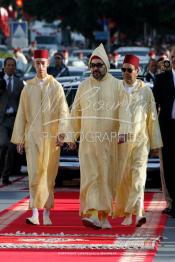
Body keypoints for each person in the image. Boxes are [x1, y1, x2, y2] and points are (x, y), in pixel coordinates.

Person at [11, 49, 70, 225]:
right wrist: (20, 139)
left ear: (48, 64)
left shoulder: (56, 86)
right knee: (35, 174)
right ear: (34, 64)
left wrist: (62, 134)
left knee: (49, 176)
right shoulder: (28, 88)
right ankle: (35, 213)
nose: (40, 66)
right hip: (33, 137)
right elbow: (21, 114)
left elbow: (64, 112)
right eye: (37, 63)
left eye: (43, 63)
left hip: (51, 139)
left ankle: (47, 213)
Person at [70, 43, 122, 229]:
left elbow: (125, 112)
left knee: (107, 180)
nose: (96, 69)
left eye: (99, 65)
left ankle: (103, 215)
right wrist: (70, 136)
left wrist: (124, 131)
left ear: (106, 65)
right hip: (88, 143)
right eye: (93, 65)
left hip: (109, 143)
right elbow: (75, 113)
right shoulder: (83, 86)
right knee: (90, 177)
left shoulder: (117, 86)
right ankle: (91, 213)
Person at [113, 54, 162, 227]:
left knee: (139, 177)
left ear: (137, 71)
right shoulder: (116, 90)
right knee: (124, 179)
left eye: (129, 70)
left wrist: (156, 144)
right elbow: (111, 118)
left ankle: (139, 212)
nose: (126, 73)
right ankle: (128, 213)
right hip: (121, 143)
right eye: (123, 70)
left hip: (141, 141)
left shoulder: (146, 91)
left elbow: (152, 118)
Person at [153, 46, 175, 218]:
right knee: (168, 165)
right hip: (167, 128)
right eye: (173, 56)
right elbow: (154, 105)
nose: (174, 59)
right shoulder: (161, 78)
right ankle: (172, 201)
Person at [0, 57, 24, 185]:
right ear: (4, 67)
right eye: (8, 65)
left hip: (15, 120)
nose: (11, 67)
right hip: (2, 121)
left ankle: (5, 175)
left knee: (11, 148)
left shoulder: (19, 83)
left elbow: (23, 102)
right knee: (3, 144)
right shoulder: (0, 80)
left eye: (13, 65)